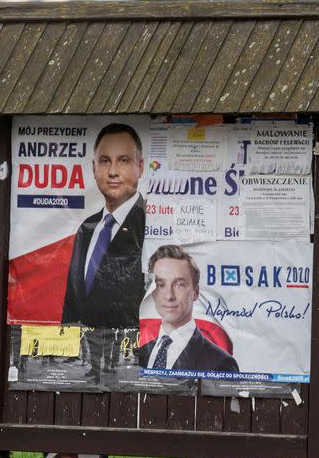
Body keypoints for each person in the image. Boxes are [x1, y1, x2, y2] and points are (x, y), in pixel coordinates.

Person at [62, 123, 146, 382]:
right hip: (84, 374)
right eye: (105, 161)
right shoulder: (87, 229)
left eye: (123, 161)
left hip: (133, 372)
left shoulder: (152, 226)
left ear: (140, 167)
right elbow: (72, 307)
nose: (112, 171)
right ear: (94, 167)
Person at [137, 244, 239, 372]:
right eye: (161, 285)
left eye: (179, 285)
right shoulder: (138, 355)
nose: (169, 296)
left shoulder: (221, 362)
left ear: (195, 293)